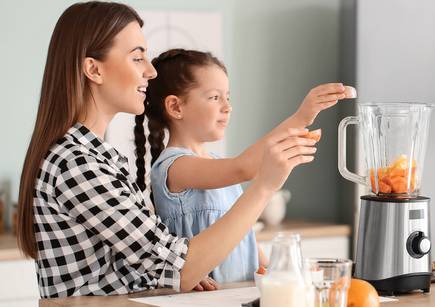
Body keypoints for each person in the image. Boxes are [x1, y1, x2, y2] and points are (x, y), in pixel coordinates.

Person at [17, 1, 319, 298]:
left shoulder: (99, 159)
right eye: (137, 58)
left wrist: (167, 274)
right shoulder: (77, 164)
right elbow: (179, 266)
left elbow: (153, 262)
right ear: (93, 70)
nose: (150, 71)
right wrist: (264, 187)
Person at [133, 49, 356, 283]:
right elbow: (244, 169)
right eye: (214, 97)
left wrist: (279, 273)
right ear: (176, 107)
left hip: (238, 293)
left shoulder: (216, 164)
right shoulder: (175, 166)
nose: (227, 107)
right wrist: (302, 118)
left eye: (227, 97)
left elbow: (242, 231)